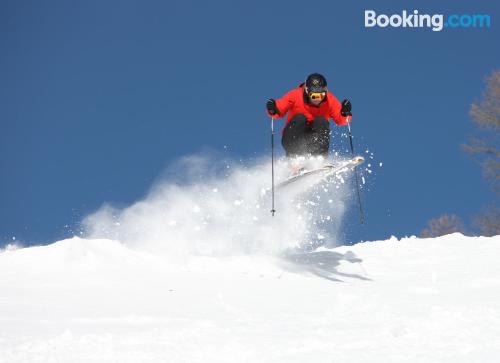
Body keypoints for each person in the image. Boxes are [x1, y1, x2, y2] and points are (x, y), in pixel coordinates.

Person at [266, 73, 352, 158]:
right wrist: (273, 109)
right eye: (314, 96)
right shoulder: (295, 95)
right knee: (300, 118)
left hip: (313, 141)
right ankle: (294, 159)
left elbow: (341, 119)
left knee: (321, 121)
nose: (318, 99)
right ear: (307, 91)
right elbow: (279, 109)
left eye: (321, 95)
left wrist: (344, 112)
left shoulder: (330, 100)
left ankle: (319, 159)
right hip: (292, 139)